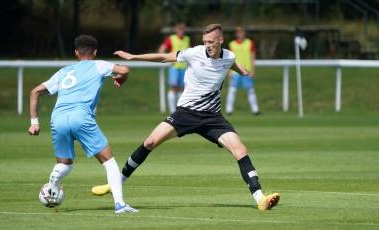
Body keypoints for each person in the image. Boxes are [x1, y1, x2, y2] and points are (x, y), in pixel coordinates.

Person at [91, 24, 280, 211]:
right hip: (186, 114)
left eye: (211, 42)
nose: (207, 45)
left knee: (240, 149)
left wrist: (244, 71)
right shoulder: (194, 53)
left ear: (221, 40)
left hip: (212, 117)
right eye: (205, 41)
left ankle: (260, 198)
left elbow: (232, 64)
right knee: (150, 142)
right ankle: (116, 183)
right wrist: (134, 56)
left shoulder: (229, 56)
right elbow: (164, 57)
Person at [27, 35, 138, 214]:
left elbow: (35, 92)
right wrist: (120, 79)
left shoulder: (63, 72)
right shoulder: (99, 65)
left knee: (65, 164)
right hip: (81, 116)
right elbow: (124, 70)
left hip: (58, 119)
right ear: (94, 52)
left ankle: (54, 180)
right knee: (109, 161)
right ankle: (120, 204)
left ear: (76, 53)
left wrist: (34, 123)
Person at [225, 26, 260, 115]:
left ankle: (255, 110)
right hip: (235, 71)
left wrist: (253, 70)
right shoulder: (232, 44)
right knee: (232, 90)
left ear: (244, 33)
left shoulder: (250, 43)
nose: (240, 34)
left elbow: (252, 57)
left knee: (250, 90)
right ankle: (229, 110)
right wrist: (229, 71)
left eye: (242, 32)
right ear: (236, 34)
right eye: (239, 32)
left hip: (247, 71)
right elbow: (229, 59)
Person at [158, 22, 190, 113]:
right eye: (179, 29)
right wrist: (165, 59)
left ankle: (179, 109)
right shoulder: (171, 39)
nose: (181, 31)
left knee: (182, 88)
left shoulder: (187, 39)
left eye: (183, 29)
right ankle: (172, 110)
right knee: (173, 87)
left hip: (184, 67)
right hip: (174, 67)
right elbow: (162, 49)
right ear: (176, 30)